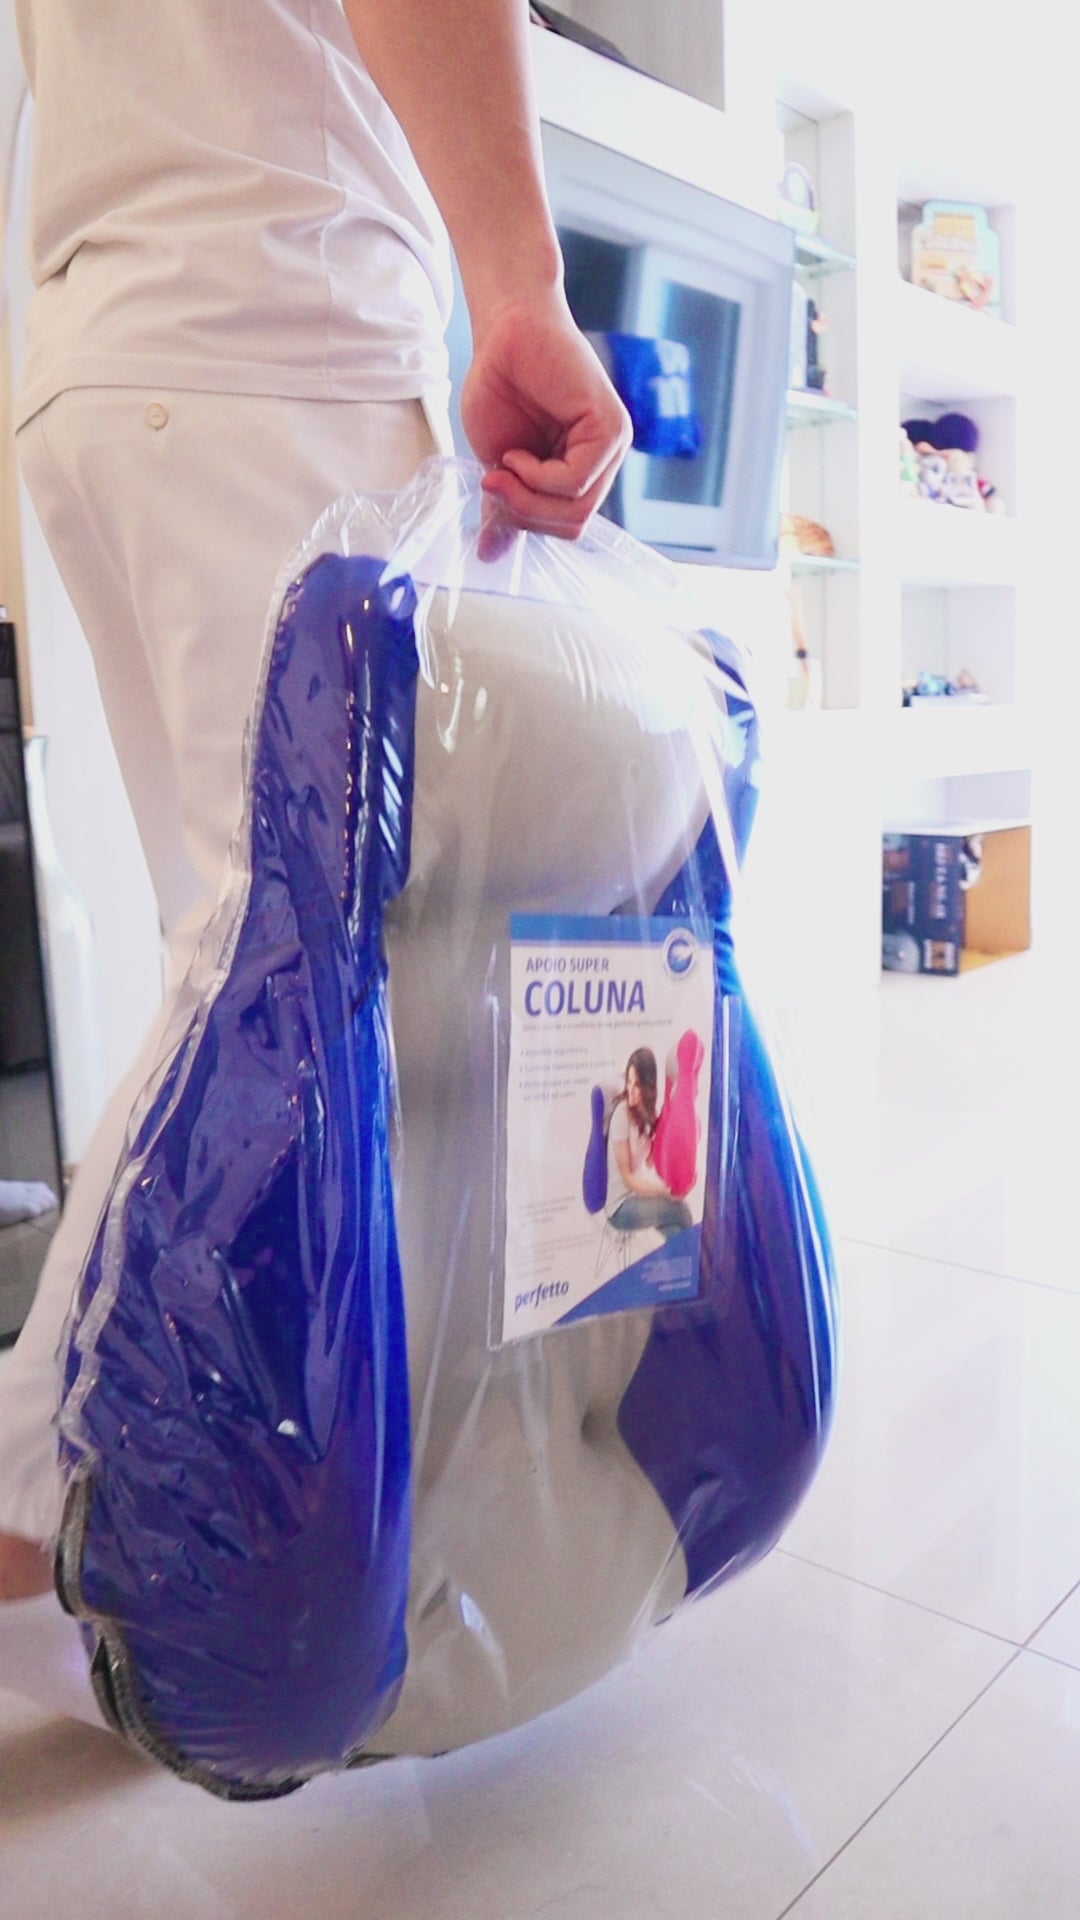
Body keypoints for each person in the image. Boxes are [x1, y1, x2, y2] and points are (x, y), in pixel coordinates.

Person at [0, 0, 631, 1610]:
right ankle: (40, 1491)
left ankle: (201, 1496)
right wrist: (522, 292)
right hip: (280, 325)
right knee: (286, 980)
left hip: (111, 347)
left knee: (237, 966)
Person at [605, 1049, 693, 1244]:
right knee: (681, 1210)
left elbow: (650, 1162)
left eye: (637, 1084)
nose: (630, 1089)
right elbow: (628, 1178)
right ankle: (693, 1259)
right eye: (629, 1082)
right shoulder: (621, 1114)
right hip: (620, 1207)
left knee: (675, 1230)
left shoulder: (646, 1114)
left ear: (648, 1086)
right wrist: (665, 1193)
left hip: (638, 1195)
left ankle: (683, 1261)